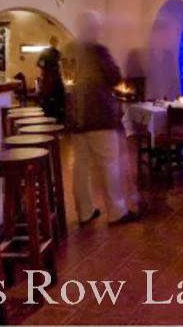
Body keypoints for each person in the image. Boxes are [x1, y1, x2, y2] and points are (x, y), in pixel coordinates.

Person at [64, 11, 138, 226]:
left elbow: (67, 81)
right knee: (109, 164)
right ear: (92, 28)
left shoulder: (68, 50)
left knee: (81, 167)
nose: (99, 31)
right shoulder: (97, 50)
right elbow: (114, 77)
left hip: (76, 116)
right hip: (99, 116)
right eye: (97, 27)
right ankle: (117, 212)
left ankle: (85, 212)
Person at [37, 35, 65, 121]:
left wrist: (45, 69)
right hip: (55, 77)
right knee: (58, 98)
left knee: (47, 98)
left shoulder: (45, 52)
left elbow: (38, 63)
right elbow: (61, 65)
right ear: (56, 43)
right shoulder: (58, 53)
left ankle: (48, 116)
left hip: (47, 78)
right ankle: (57, 117)